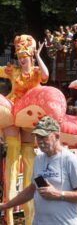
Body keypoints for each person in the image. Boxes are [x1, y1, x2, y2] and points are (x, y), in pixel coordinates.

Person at [0, 115, 77, 225]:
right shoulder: (39, 159)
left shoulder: (70, 160)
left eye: (44, 137)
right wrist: (5, 206)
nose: (40, 141)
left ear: (57, 136)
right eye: (37, 137)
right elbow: (31, 190)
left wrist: (59, 194)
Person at [0, 35, 49, 225]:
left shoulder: (37, 71)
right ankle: (9, 216)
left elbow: (45, 76)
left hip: (28, 114)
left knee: (29, 161)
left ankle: (31, 218)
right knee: (12, 157)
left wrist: (38, 56)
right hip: (13, 113)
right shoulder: (13, 71)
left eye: (25, 55)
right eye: (19, 55)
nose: (22, 58)